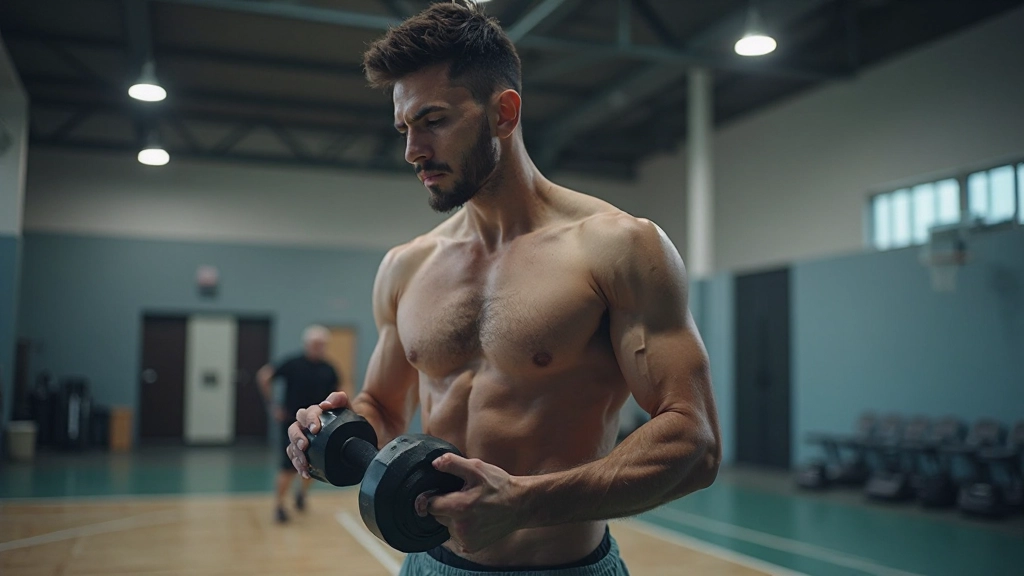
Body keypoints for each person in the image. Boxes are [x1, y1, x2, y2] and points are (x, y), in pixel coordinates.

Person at [286, 2, 721, 573]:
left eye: (434, 121)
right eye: (404, 128)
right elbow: (385, 406)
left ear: (504, 113)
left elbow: (695, 442)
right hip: (429, 564)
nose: (413, 151)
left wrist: (524, 503)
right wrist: (331, 430)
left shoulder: (618, 248)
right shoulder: (406, 266)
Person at [258, 324, 339, 523]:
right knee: (288, 467)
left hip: (318, 426)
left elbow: (338, 392)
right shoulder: (292, 364)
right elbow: (264, 376)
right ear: (307, 344)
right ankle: (279, 505)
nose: (319, 347)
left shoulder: (329, 369)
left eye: (322, 344)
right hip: (291, 424)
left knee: (312, 466)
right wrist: (272, 405)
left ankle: (301, 496)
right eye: (315, 344)